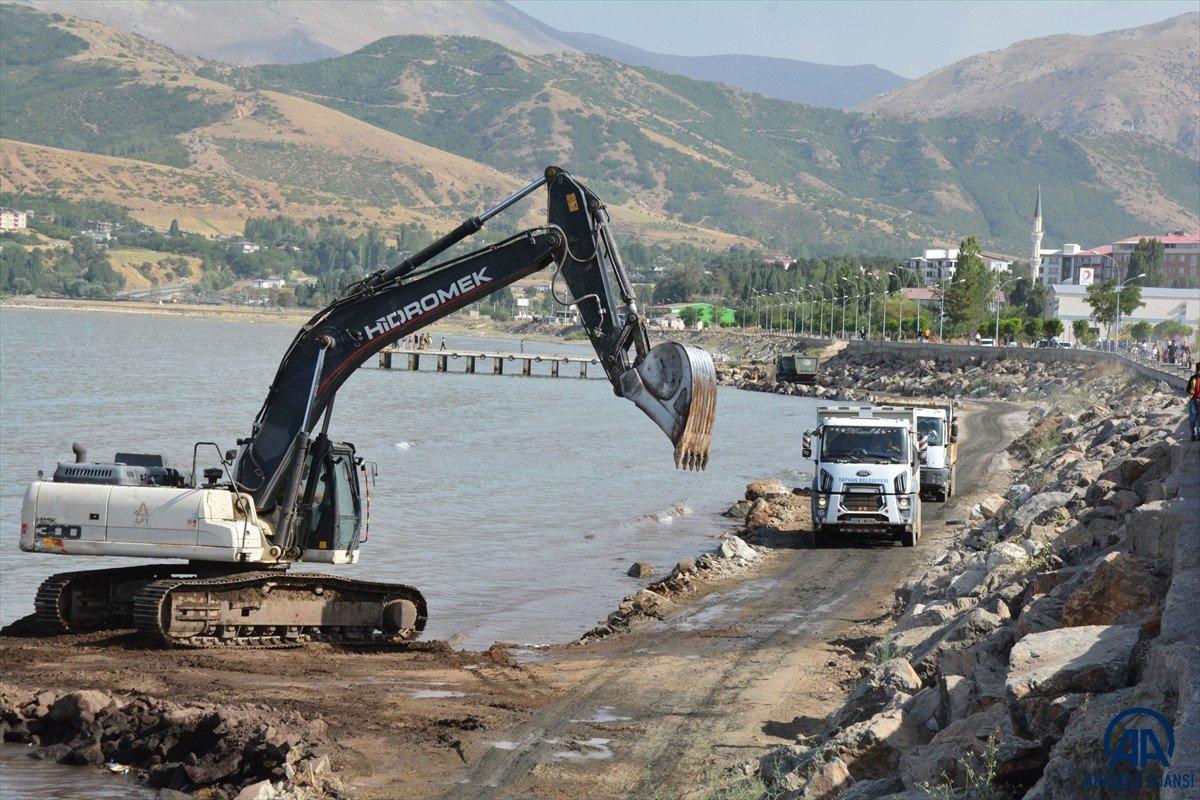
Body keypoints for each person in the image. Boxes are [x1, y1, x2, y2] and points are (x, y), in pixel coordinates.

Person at [1188, 362, 1200, 442]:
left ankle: (1198, 436)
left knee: (1199, 419)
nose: (1198, 372)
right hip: (1193, 400)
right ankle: (1193, 433)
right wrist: (1190, 390)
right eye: (1198, 370)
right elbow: (1187, 389)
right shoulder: (1193, 378)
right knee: (1193, 418)